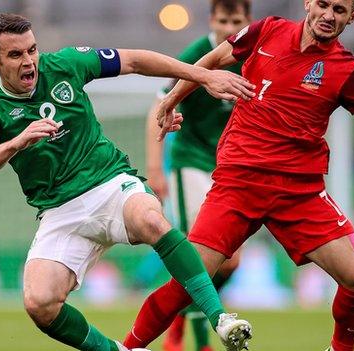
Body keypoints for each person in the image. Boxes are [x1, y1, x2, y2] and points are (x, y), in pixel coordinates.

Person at [124, 1, 354, 351]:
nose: (328, 15)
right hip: (239, 183)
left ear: (351, 18)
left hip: (298, 193)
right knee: (191, 278)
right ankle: (128, 347)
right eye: (323, 4)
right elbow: (213, 62)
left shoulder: (348, 71)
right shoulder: (267, 31)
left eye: (339, 10)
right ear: (308, 3)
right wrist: (171, 99)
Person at [0, 13, 256, 351]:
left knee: (151, 219)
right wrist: (19, 141)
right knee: (39, 302)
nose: (30, 61)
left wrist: (202, 75)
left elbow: (133, 60)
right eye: (16, 55)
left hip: (110, 185)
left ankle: (221, 318)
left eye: (32, 50)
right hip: (59, 211)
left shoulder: (66, 64)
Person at [144, 1, 252, 351]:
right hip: (190, 163)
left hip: (229, 170)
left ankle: (179, 316)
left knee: (231, 262)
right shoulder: (197, 55)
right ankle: (201, 340)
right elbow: (158, 108)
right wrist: (155, 168)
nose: (228, 27)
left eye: (235, 21)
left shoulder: (253, 55)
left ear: (247, 21)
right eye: (223, 20)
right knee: (201, 256)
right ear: (212, 20)